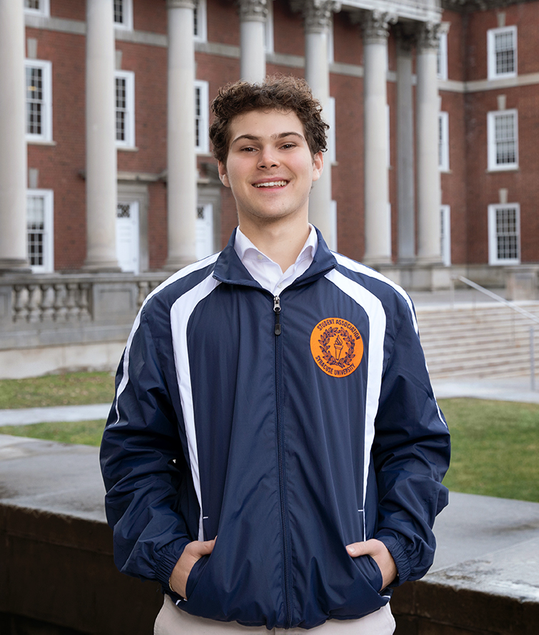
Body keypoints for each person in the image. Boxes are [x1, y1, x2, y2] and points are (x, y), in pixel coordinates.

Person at [100, 76, 450, 633]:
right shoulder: (172, 309)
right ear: (223, 169)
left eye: (287, 144)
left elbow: (416, 443)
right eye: (248, 147)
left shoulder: (379, 304)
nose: (269, 160)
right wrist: (172, 561)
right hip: (208, 615)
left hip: (349, 614)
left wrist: (394, 552)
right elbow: (132, 451)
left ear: (315, 162)